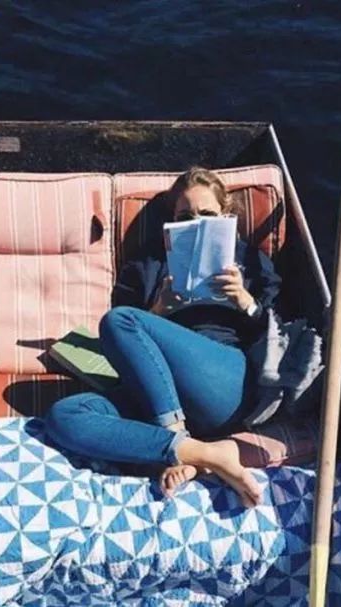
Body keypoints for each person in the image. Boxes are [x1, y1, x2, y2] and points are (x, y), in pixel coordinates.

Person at [44, 167, 281, 507]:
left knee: (120, 320)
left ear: (225, 214)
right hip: (158, 391)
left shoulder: (250, 259)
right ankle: (198, 452)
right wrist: (158, 310)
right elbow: (121, 341)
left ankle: (174, 439)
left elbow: (280, 333)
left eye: (207, 214)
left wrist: (246, 302)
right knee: (65, 415)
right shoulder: (147, 262)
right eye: (185, 217)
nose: (196, 223)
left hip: (222, 380)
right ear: (172, 220)